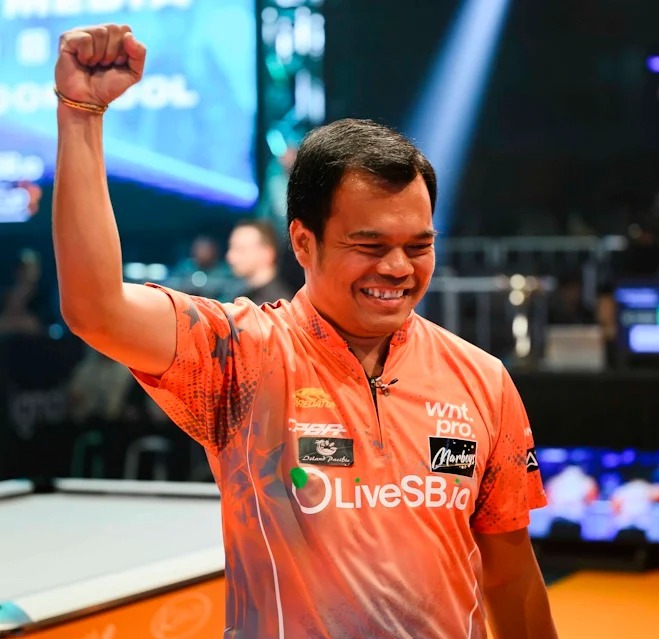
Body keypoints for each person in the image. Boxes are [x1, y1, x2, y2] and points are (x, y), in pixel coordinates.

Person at [52, 25, 557, 638]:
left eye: (418, 245)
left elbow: (510, 575)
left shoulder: (481, 378)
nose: (398, 268)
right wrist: (81, 115)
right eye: (369, 245)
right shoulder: (243, 355)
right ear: (302, 242)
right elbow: (95, 308)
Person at [226, 219, 294, 305]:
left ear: (267, 253)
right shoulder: (244, 296)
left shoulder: (276, 305)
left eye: (240, 250)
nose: (230, 257)